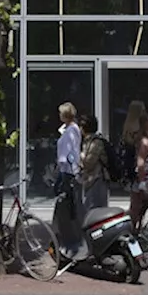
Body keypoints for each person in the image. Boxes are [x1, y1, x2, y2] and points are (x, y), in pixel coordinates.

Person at [54, 102, 83, 257]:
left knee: (66, 205)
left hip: (67, 172)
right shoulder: (69, 129)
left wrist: (70, 169)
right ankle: (63, 239)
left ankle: (69, 241)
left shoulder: (72, 131)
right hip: (66, 170)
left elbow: (71, 152)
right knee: (64, 204)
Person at [127, 112, 148, 231]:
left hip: (146, 177)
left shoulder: (142, 138)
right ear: (147, 124)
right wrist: (142, 181)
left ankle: (136, 231)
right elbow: (141, 161)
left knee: (139, 207)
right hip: (143, 178)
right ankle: (131, 232)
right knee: (137, 208)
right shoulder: (145, 141)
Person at [78, 114, 110, 216]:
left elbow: (88, 163)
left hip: (97, 180)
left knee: (95, 211)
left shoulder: (95, 143)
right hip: (90, 180)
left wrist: (80, 156)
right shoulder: (87, 142)